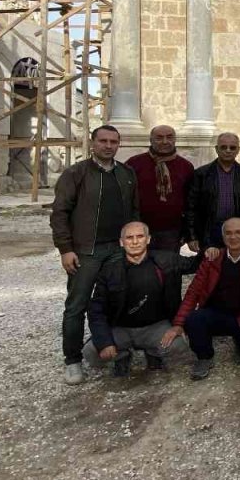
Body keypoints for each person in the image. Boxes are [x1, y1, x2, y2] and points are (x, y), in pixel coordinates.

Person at [50, 124, 139, 386]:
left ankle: (114, 350)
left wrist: (133, 243)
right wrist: (65, 249)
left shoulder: (126, 174)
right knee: (77, 305)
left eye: (113, 142)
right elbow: (59, 214)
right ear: (93, 143)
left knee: (117, 301)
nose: (108, 146)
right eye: (103, 141)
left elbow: (134, 212)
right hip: (86, 251)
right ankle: (73, 360)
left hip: (117, 250)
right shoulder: (75, 174)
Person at [163, 218, 240, 380]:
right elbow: (193, 291)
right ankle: (204, 357)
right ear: (223, 237)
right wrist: (178, 324)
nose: (233, 237)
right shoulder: (212, 258)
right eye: (228, 233)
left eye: (238, 232)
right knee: (194, 319)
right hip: (217, 313)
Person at [83, 222, 185, 376]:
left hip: (155, 327)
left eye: (140, 236)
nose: (135, 242)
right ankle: (122, 356)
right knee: (91, 353)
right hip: (121, 328)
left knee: (179, 346)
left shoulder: (166, 261)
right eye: (129, 237)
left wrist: (213, 250)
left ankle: (153, 353)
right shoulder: (110, 270)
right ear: (121, 242)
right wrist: (105, 343)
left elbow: (199, 264)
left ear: (148, 239)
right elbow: (96, 310)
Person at [124, 125, 194, 250]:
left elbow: (191, 202)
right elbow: (125, 197)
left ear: (175, 140)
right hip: (139, 230)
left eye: (169, 137)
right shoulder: (134, 164)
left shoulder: (185, 166)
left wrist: (188, 232)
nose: (165, 142)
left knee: (168, 268)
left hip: (172, 231)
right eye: (159, 138)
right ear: (151, 140)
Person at [183, 132, 240, 256]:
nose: (228, 151)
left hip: (237, 230)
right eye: (223, 147)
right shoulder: (201, 174)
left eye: (232, 147)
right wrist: (191, 236)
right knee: (209, 269)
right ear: (216, 149)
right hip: (209, 230)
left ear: (238, 150)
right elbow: (190, 207)